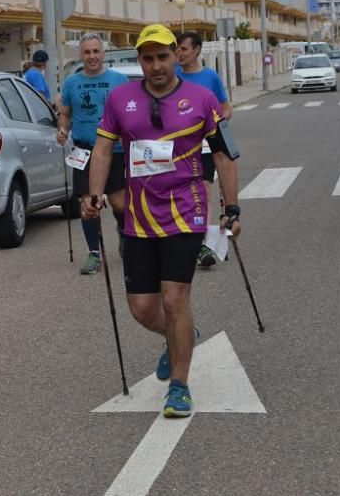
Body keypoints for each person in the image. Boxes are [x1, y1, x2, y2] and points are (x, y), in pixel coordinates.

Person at [84, 23, 242, 418]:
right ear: (140, 60)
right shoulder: (121, 100)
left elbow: (223, 155)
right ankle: (183, 335)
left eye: (162, 56)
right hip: (138, 218)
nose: (155, 65)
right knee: (141, 308)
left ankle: (179, 387)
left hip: (185, 213)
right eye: (147, 58)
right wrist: (94, 193)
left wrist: (231, 207)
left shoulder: (201, 99)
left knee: (175, 300)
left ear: (176, 56)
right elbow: (103, 151)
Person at [57, 34, 128, 275]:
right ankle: (94, 253)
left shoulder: (120, 80)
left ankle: (124, 234)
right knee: (87, 203)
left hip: (114, 149)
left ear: (103, 53)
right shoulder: (71, 83)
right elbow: (65, 112)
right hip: (84, 150)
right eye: (87, 52)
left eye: (95, 51)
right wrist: (62, 129)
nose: (92, 57)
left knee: (119, 202)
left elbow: (130, 113)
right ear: (80, 55)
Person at [175, 32, 233, 269]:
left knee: (204, 193)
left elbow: (226, 108)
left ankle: (203, 245)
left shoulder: (210, 77)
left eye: (184, 49)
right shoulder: (173, 76)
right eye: (177, 49)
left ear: (197, 50)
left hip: (206, 147)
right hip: (178, 149)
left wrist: (216, 122)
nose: (179, 53)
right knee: (182, 195)